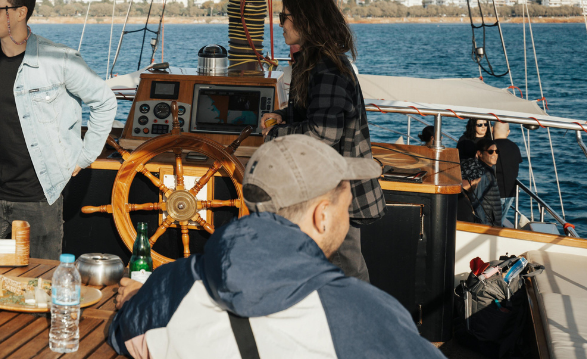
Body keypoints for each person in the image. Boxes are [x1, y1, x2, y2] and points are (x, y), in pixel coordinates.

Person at [106, 135, 441, 359]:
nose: (349, 211)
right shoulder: (366, 314)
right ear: (322, 215)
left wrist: (141, 297)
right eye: (345, 202)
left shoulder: (170, 285)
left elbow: (123, 334)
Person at [0, 0, 117, 261]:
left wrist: (84, 157)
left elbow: (105, 101)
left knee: (38, 283)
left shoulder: (59, 59)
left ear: (21, 12)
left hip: (39, 200)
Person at [259, 0, 384, 282]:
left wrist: (276, 133)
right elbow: (315, 113)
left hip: (334, 190)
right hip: (324, 186)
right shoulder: (315, 63)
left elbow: (322, 134)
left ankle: (355, 312)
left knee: (342, 269)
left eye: (285, 17)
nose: (280, 23)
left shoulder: (327, 69)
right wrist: (285, 116)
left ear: (305, 21)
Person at [462, 137, 504, 226]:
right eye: (490, 152)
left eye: (497, 151)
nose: (495, 154)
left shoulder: (488, 170)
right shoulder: (483, 174)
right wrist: (484, 225)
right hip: (488, 223)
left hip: (492, 221)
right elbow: (477, 202)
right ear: (479, 153)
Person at [491, 122, 523, 227]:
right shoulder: (514, 147)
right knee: (499, 221)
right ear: (508, 132)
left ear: (492, 129)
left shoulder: (490, 146)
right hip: (510, 191)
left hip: (493, 191)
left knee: (489, 221)